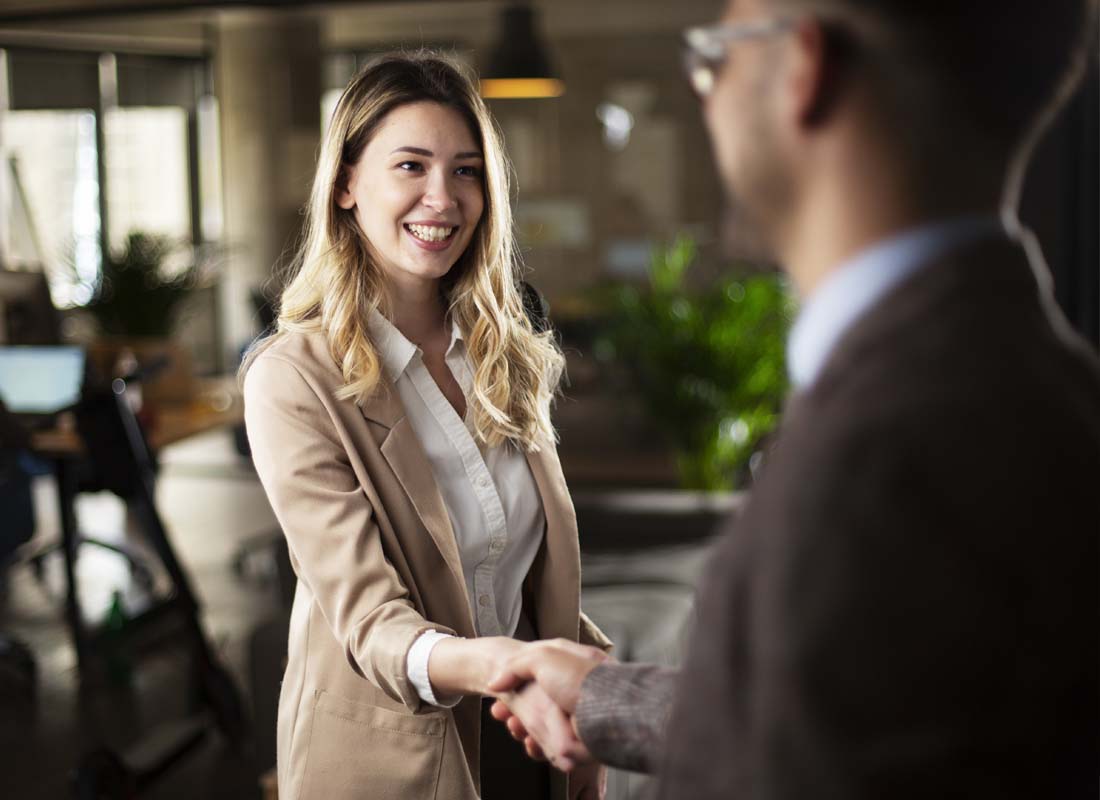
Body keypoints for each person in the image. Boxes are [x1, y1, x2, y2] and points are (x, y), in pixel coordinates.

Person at [489, 0, 1100, 796]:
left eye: (717, 56)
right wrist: (602, 698)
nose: (706, 94)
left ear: (804, 71)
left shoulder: (881, 462)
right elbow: (859, 701)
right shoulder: (1036, 387)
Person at [242, 51, 611, 800]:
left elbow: (520, 575)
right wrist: (512, 667)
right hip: (395, 761)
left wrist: (597, 675)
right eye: (410, 166)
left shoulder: (506, 353)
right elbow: (372, 620)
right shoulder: (292, 378)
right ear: (346, 185)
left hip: (531, 740)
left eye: (466, 170)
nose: (442, 198)